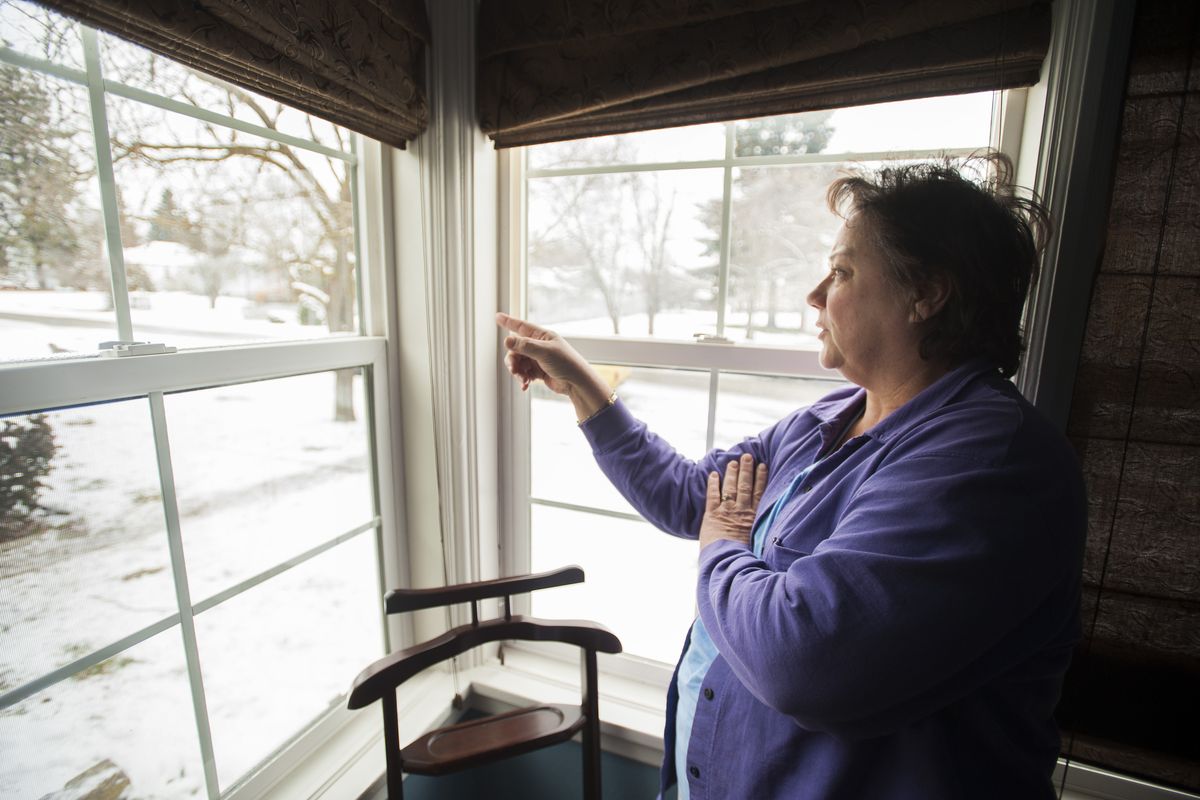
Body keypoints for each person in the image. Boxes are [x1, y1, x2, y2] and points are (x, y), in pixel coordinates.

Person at [497, 153, 1085, 800]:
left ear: (926, 293)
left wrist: (721, 546)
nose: (814, 294)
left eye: (841, 271)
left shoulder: (990, 461)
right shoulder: (829, 418)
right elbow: (693, 497)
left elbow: (806, 661)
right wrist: (583, 386)